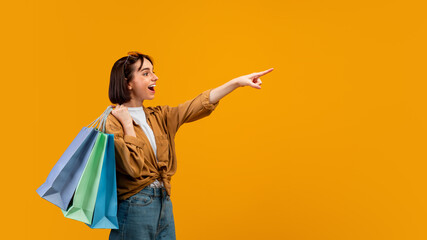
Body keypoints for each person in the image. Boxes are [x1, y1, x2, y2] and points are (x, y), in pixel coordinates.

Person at [105, 51, 273, 240]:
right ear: (128, 83)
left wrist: (236, 83)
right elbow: (133, 168)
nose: (155, 77)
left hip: (163, 201)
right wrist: (128, 125)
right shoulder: (112, 122)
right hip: (135, 205)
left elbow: (197, 104)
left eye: (153, 72)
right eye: (145, 73)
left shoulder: (160, 116)